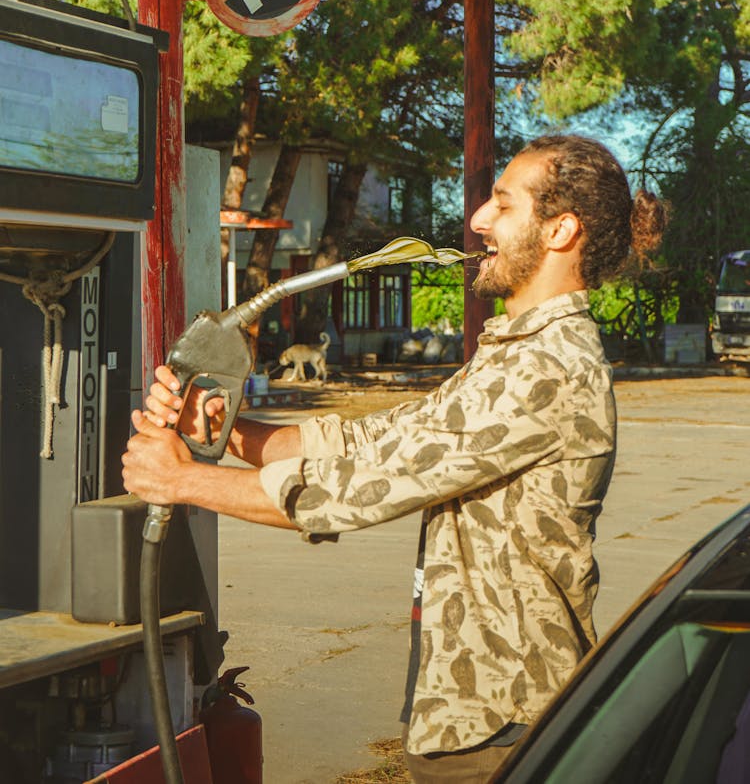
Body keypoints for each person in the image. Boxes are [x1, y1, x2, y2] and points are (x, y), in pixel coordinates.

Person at [122, 133, 667, 783]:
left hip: (510, 730)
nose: (478, 220)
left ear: (560, 230)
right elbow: (377, 440)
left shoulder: (546, 370)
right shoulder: (514, 356)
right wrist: (228, 429)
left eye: (502, 203)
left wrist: (181, 478)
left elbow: (355, 487)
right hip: (482, 724)